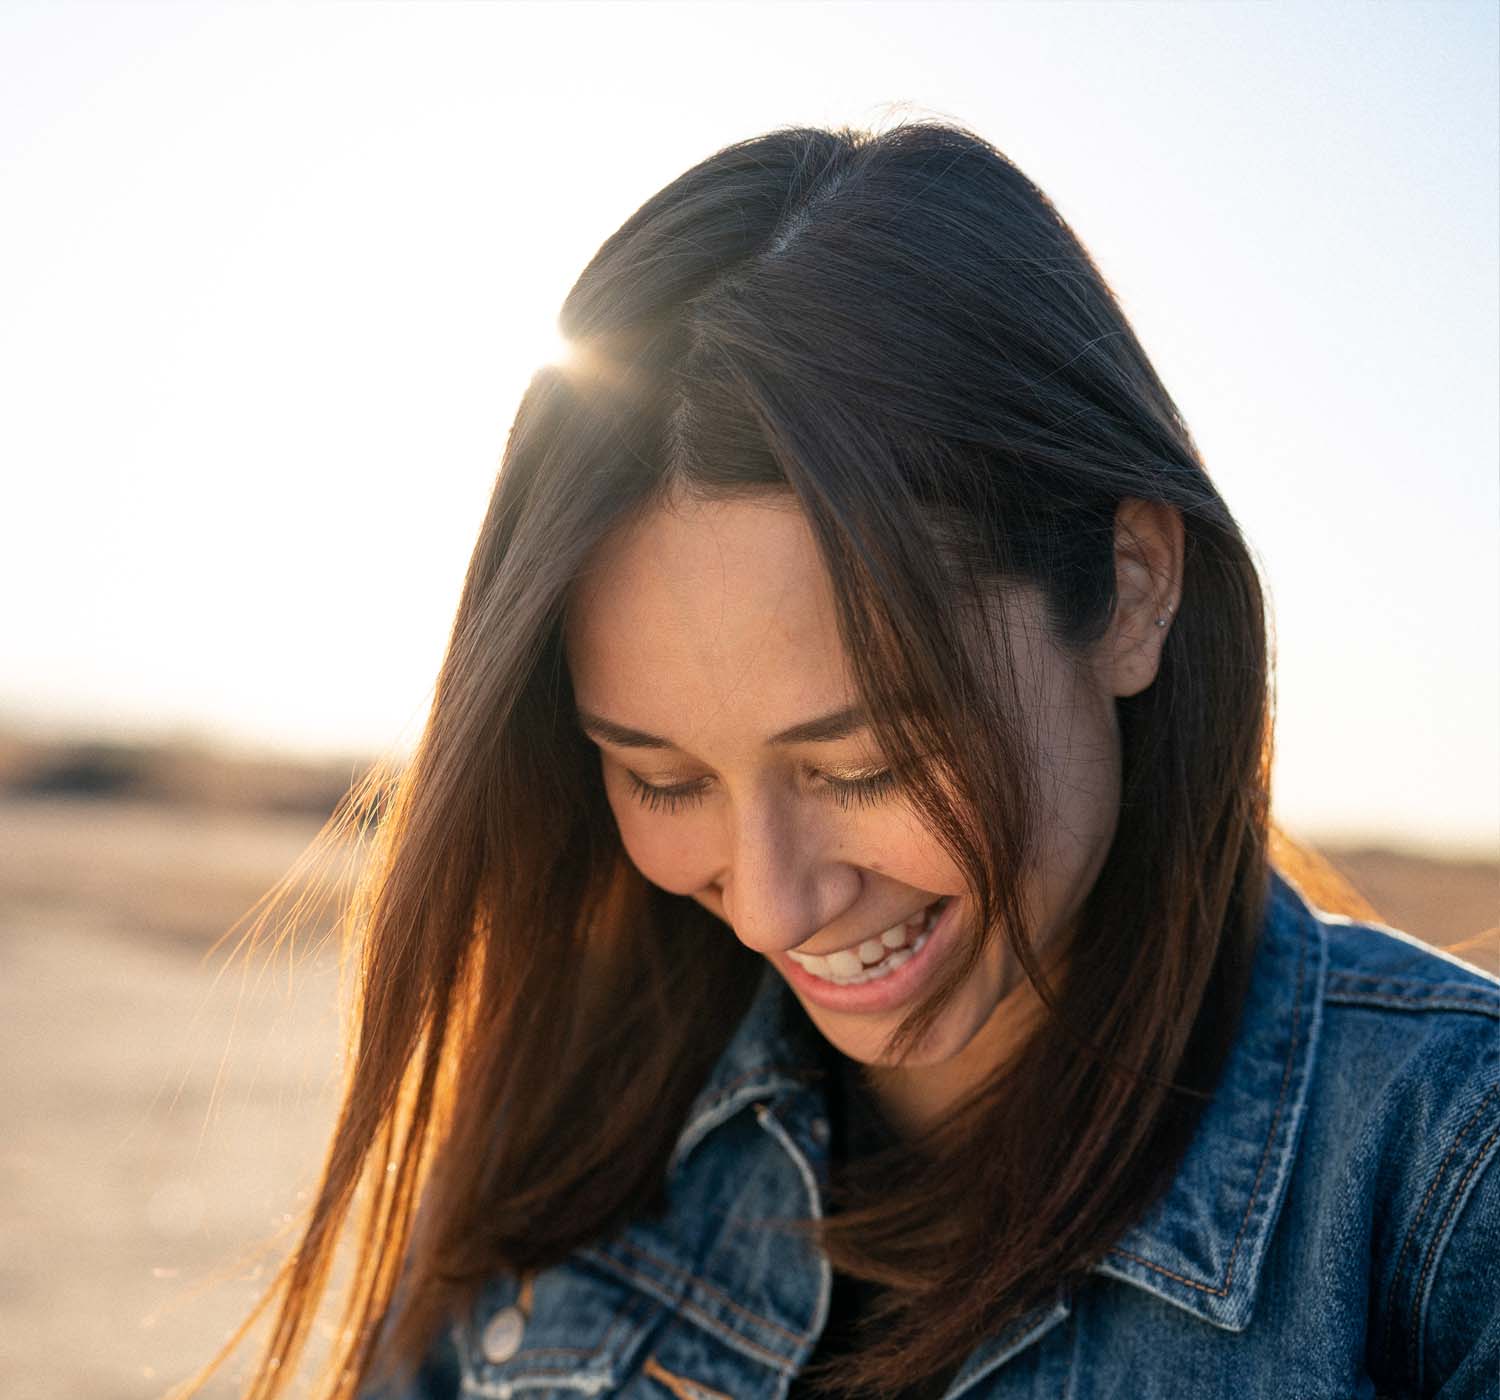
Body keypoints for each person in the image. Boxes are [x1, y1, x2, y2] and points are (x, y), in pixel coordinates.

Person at [209, 121, 1498, 1400]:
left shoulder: (1449, 1189)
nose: (772, 903)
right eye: (663, 779)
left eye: (865, 765)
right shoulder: (572, 1106)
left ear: (1129, 587)